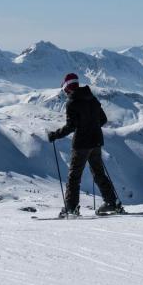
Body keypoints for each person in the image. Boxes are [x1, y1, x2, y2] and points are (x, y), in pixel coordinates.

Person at [48, 73, 123, 218]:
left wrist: (55, 135)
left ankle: (71, 208)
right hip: (96, 141)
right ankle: (112, 203)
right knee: (99, 173)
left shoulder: (72, 102)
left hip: (82, 144)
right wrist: (92, 127)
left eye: (64, 88)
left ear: (67, 87)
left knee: (74, 176)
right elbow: (103, 119)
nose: (65, 91)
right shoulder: (92, 98)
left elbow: (71, 126)